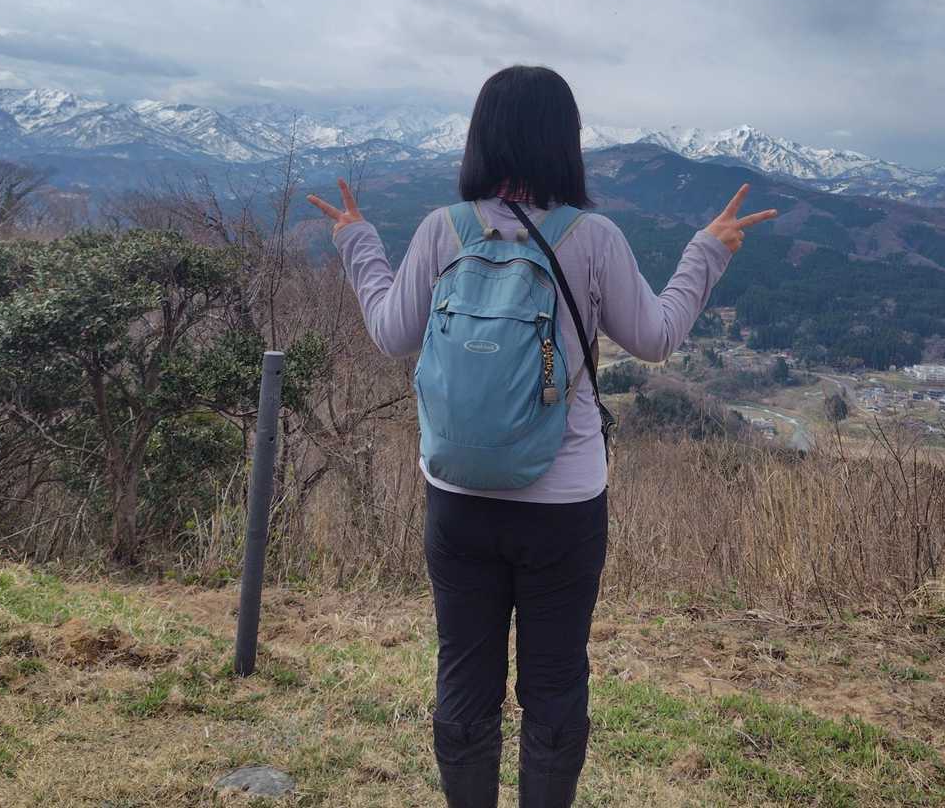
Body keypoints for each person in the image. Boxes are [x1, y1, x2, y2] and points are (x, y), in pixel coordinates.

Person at [308, 65, 776, 807]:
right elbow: (655, 337)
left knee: (465, 678)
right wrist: (707, 251)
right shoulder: (592, 238)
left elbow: (391, 332)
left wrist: (356, 241)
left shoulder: (442, 228)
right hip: (563, 503)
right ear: (566, 141)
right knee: (555, 685)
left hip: (458, 496)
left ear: (480, 137)